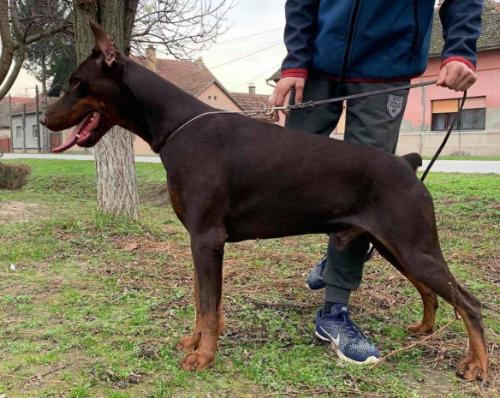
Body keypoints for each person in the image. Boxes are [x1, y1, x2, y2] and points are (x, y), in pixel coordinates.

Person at [269, 0, 482, 365]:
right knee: (290, 177)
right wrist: (294, 61)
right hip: (317, 64)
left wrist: (459, 51)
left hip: (388, 65)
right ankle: (342, 252)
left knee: (366, 196)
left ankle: (334, 309)